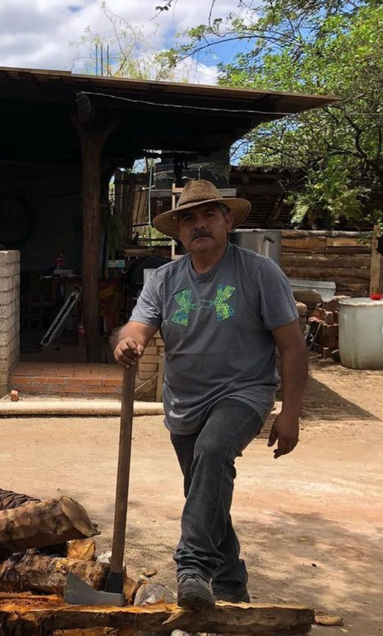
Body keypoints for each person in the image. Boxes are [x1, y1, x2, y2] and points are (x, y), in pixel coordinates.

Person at [112, 180, 308, 609]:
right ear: (179, 231)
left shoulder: (259, 273)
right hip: (183, 402)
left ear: (227, 221)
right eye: (188, 219)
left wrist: (290, 412)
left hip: (244, 393)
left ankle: (192, 567)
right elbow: (137, 326)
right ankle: (232, 584)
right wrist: (129, 341)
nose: (198, 225)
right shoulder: (163, 279)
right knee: (205, 491)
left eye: (208, 215)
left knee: (214, 453)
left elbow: (292, 345)